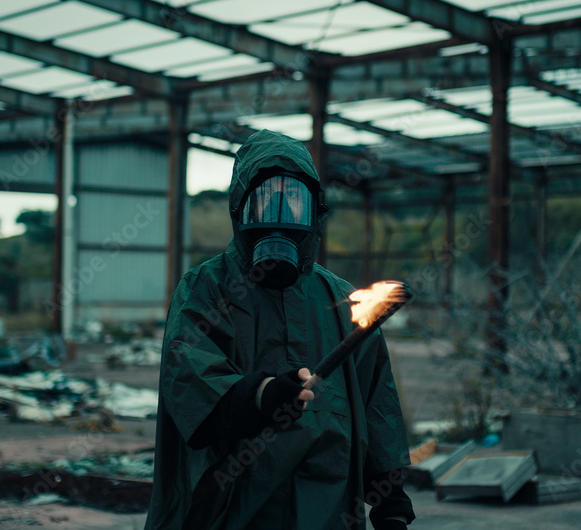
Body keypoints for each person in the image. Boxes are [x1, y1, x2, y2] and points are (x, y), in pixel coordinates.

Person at [145, 129, 415, 530]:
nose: (280, 209)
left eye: (294, 198)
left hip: (327, 508)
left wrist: (389, 498)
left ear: (314, 210)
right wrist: (259, 395)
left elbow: (378, 404)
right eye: (265, 196)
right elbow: (189, 379)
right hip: (230, 510)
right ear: (240, 207)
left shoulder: (341, 300)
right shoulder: (208, 288)